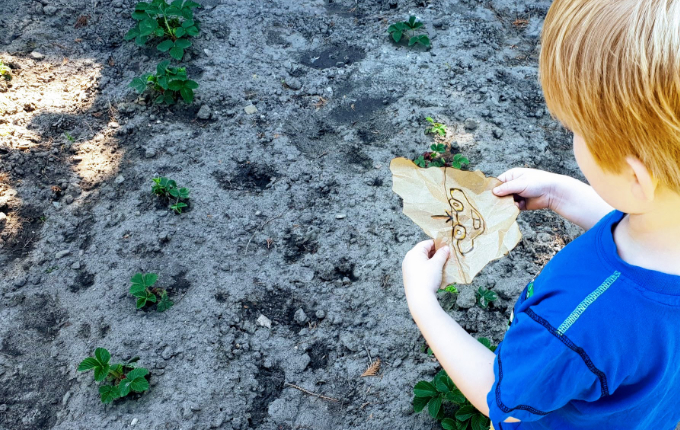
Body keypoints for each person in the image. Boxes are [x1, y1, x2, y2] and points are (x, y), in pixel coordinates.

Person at [401, 0, 680, 428]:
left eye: (576, 130)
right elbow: (641, 229)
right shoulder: (663, 227)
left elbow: (501, 397)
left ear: (634, 178)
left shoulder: (578, 320)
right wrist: (559, 193)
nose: (573, 137)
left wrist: (423, 304)